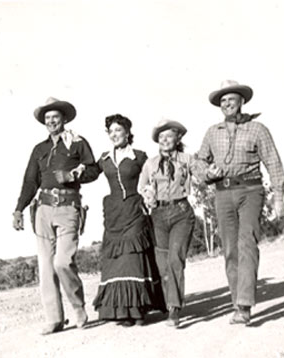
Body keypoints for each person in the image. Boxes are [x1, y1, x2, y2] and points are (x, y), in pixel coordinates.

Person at [197, 80, 284, 325]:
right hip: (222, 194)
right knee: (230, 250)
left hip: (251, 190)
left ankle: (245, 306)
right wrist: (207, 172)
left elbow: (273, 162)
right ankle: (238, 301)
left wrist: (278, 198)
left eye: (231, 100)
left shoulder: (258, 129)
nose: (227, 104)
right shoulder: (212, 132)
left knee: (247, 244)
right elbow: (198, 162)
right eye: (223, 101)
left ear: (241, 102)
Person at [12, 97, 99, 335]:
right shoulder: (39, 149)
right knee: (46, 267)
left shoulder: (77, 143)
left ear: (64, 119)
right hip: (43, 209)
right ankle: (55, 319)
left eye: (55, 117)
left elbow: (93, 170)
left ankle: (78, 307)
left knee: (63, 261)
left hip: (69, 207)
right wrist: (19, 209)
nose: (51, 121)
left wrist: (72, 176)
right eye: (47, 118)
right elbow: (30, 181)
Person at [91, 114, 166, 327]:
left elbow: (153, 178)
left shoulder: (140, 156)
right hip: (114, 213)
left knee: (133, 259)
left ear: (127, 132)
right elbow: (89, 173)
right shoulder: (104, 159)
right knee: (116, 262)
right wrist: (74, 173)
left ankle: (139, 310)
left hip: (135, 210)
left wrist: (150, 194)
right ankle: (123, 312)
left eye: (118, 130)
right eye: (111, 131)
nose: (114, 134)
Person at [138, 119, 200, 327]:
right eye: (161, 137)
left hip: (181, 212)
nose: (164, 140)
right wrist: (148, 194)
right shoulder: (150, 163)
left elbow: (201, 172)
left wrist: (212, 173)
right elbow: (142, 186)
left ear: (178, 138)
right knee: (163, 265)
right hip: (158, 215)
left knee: (175, 260)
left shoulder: (187, 159)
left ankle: (174, 310)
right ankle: (169, 303)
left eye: (169, 135)